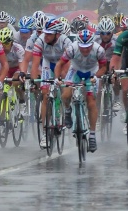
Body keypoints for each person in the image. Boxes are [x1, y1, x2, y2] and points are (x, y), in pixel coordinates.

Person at [54, 29, 106, 152]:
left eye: (88, 47)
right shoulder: (72, 48)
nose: (85, 50)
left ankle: (92, 135)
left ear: (92, 44)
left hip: (92, 72)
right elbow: (60, 64)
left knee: (91, 102)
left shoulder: (99, 50)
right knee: (66, 95)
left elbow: (104, 67)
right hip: (75, 71)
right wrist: (57, 78)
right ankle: (67, 110)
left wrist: (96, 77)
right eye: (82, 47)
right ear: (78, 44)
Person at [30, 18, 72, 148]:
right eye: (45, 33)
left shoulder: (65, 41)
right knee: (45, 94)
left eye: (49, 34)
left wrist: (61, 79)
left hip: (64, 63)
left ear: (57, 34)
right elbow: (35, 64)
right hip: (48, 63)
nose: (45, 35)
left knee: (65, 86)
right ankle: (45, 132)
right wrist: (33, 81)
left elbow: (69, 63)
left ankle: (67, 108)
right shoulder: (40, 41)